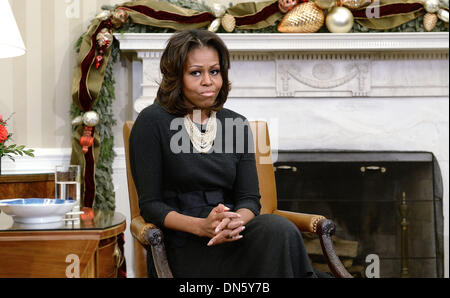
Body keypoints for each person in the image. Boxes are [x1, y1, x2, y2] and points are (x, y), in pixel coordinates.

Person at [129, 29, 325, 278]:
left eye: (214, 71)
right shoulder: (151, 122)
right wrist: (202, 227)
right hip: (185, 244)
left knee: (279, 229)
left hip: (234, 235)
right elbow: (151, 206)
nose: (208, 81)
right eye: (195, 73)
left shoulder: (236, 123)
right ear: (175, 77)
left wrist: (233, 222)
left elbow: (249, 199)